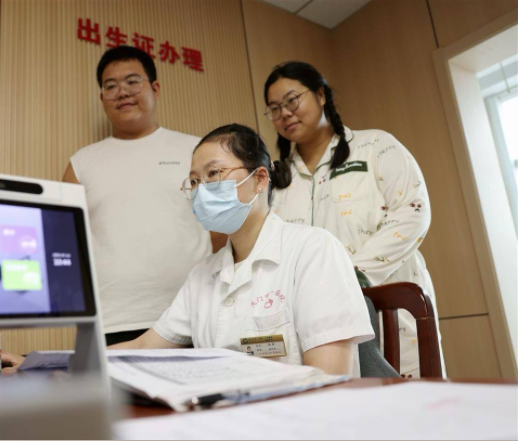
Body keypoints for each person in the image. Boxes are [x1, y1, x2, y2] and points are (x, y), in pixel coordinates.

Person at [110, 124, 374, 376]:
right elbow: (145, 347)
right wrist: (85, 360)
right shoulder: (202, 274)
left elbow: (329, 378)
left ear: (260, 178)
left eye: (214, 173)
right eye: (194, 181)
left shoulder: (314, 249)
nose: (201, 190)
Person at [263, 61, 442, 378]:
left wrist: (351, 275)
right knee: (337, 400)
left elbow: (412, 212)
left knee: (409, 398)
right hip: (315, 326)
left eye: (292, 100)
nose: (285, 113)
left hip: (390, 309)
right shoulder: (278, 182)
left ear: (320, 95)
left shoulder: (375, 146)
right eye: (275, 108)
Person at [62, 46, 214, 345]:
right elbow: (67, 244)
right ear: (102, 97)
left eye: (132, 81)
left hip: (193, 314)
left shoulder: (197, 151)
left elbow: (220, 231)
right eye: (111, 86)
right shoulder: (80, 164)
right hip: (112, 319)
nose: (122, 92)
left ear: (155, 88)